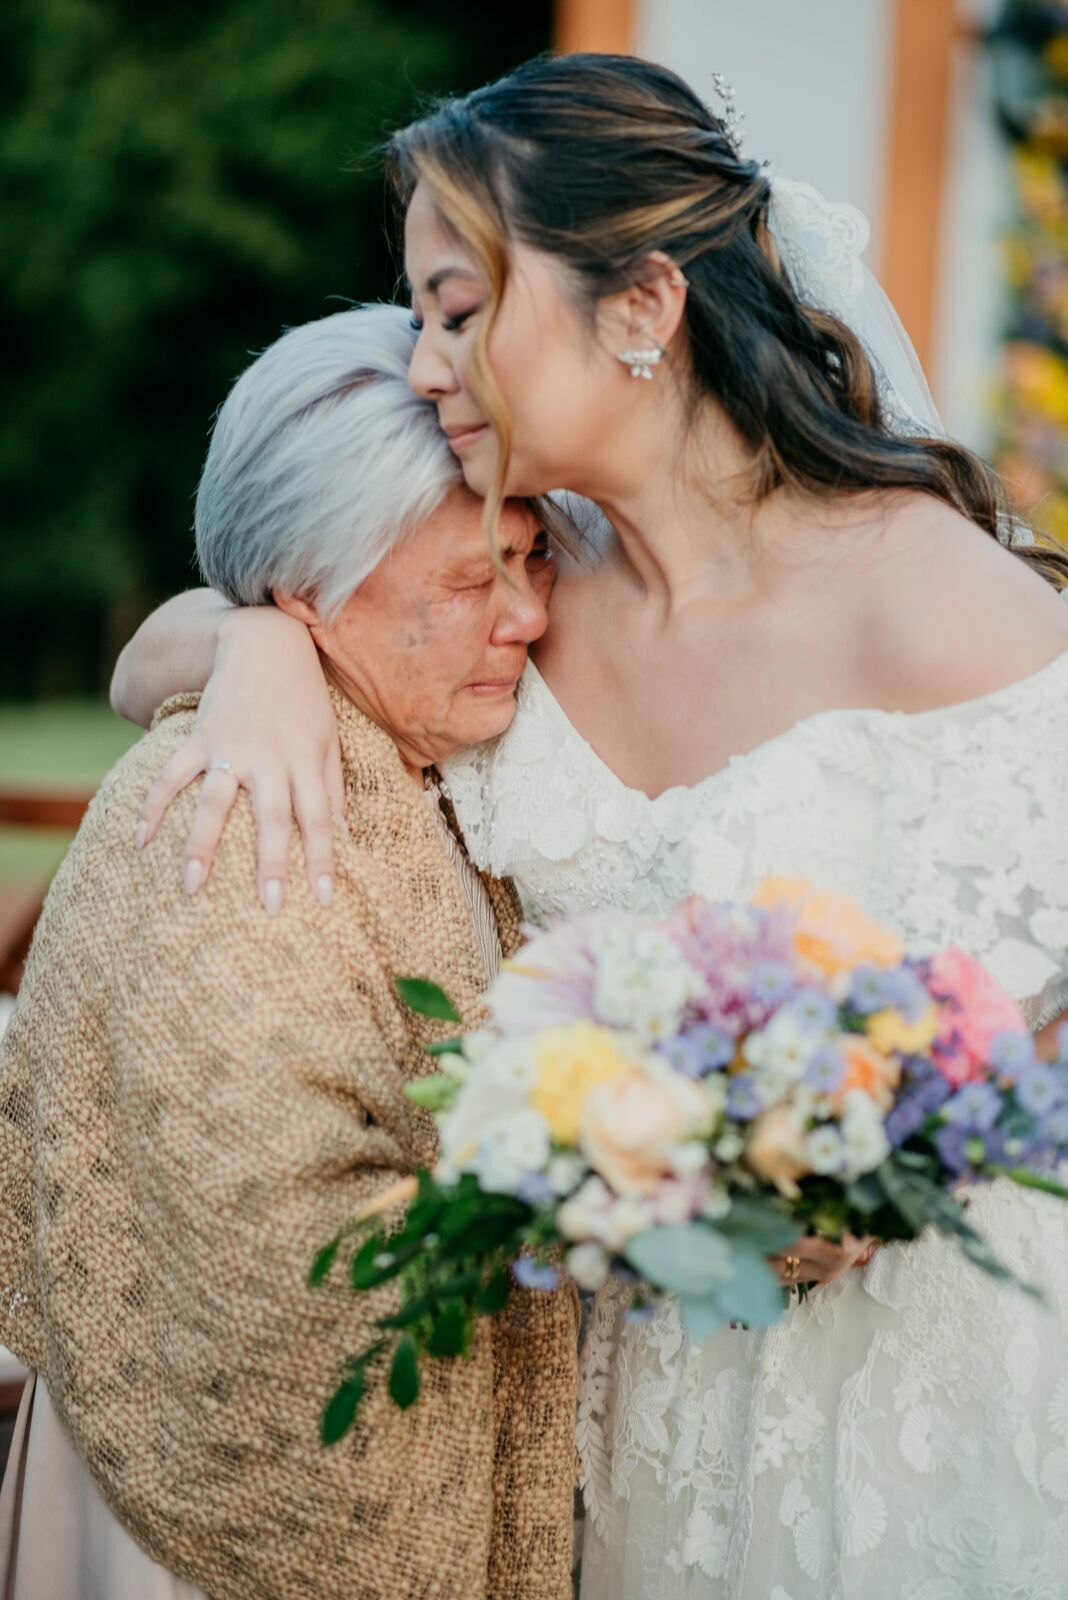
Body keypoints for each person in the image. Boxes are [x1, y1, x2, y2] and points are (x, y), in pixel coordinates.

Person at [108, 53, 1068, 1600]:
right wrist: (260, 648)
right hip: (635, 1402)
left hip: (911, 1384)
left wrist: (894, 1164)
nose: (423, 363)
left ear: (640, 308)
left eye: (459, 309)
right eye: (422, 317)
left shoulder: (926, 589)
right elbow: (145, 649)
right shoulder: (524, 595)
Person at [0, 303, 581, 1600]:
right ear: (308, 593)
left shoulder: (430, 746)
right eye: (473, 579)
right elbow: (267, 1254)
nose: (530, 617)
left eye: (531, 559)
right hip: (208, 1496)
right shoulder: (233, 820)